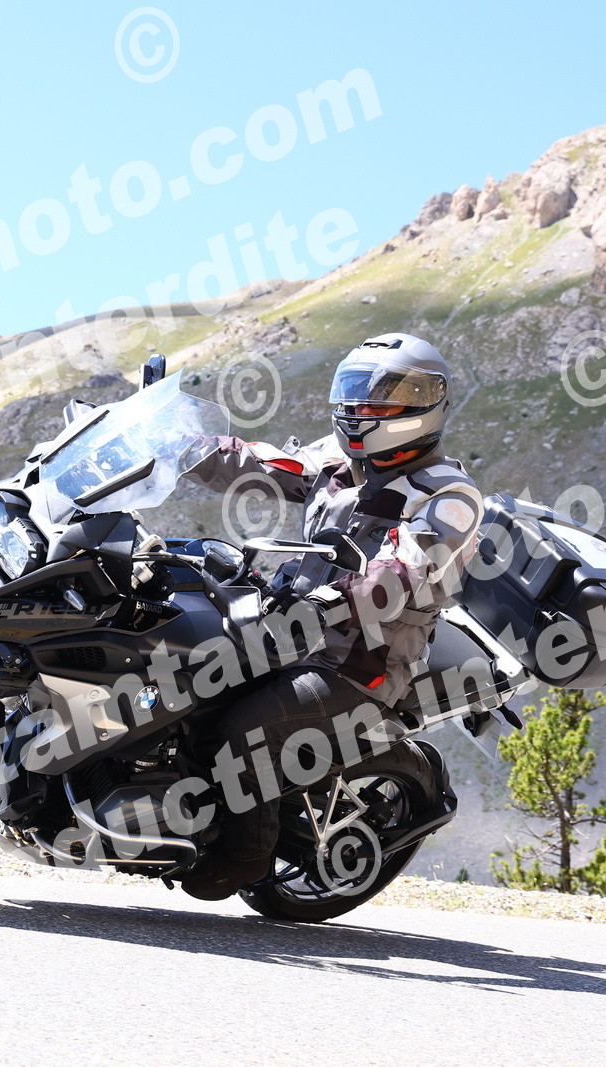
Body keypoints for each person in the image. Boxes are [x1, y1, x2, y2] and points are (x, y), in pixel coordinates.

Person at [179, 332, 484, 900]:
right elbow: (260, 463)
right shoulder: (339, 461)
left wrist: (329, 601)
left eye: (384, 399)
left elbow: (400, 573)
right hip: (285, 628)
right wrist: (177, 447)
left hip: (360, 663)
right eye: (358, 395)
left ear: (425, 404)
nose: (364, 410)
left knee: (245, 730)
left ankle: (242, 857)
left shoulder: (449, 496)